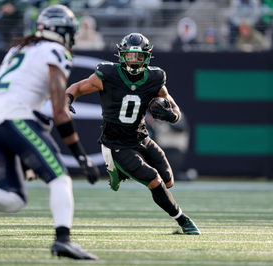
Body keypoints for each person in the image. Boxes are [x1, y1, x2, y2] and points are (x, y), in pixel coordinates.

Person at [0, 5, 99, 260]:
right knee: (60, 179)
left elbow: (27, 100)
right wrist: (80, 155)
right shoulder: (55, 51)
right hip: (15, 120)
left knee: (14, 199)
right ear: (62, 32)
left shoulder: (18, 49)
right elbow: (60, 111)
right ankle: (63, 240)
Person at [66, 32, 200, 235]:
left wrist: (170, 115)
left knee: (168, 181)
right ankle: (183, 221)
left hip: (141, 138)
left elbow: (175, 109)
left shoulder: (154, 78)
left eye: (138, 57)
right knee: (154, 180)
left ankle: (120, 172)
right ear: (122, 55)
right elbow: (78, 87)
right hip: (116, 143)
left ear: (146, 57)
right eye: (130, 56)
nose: (134, 61)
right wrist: (67, 99)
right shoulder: (108, 74)